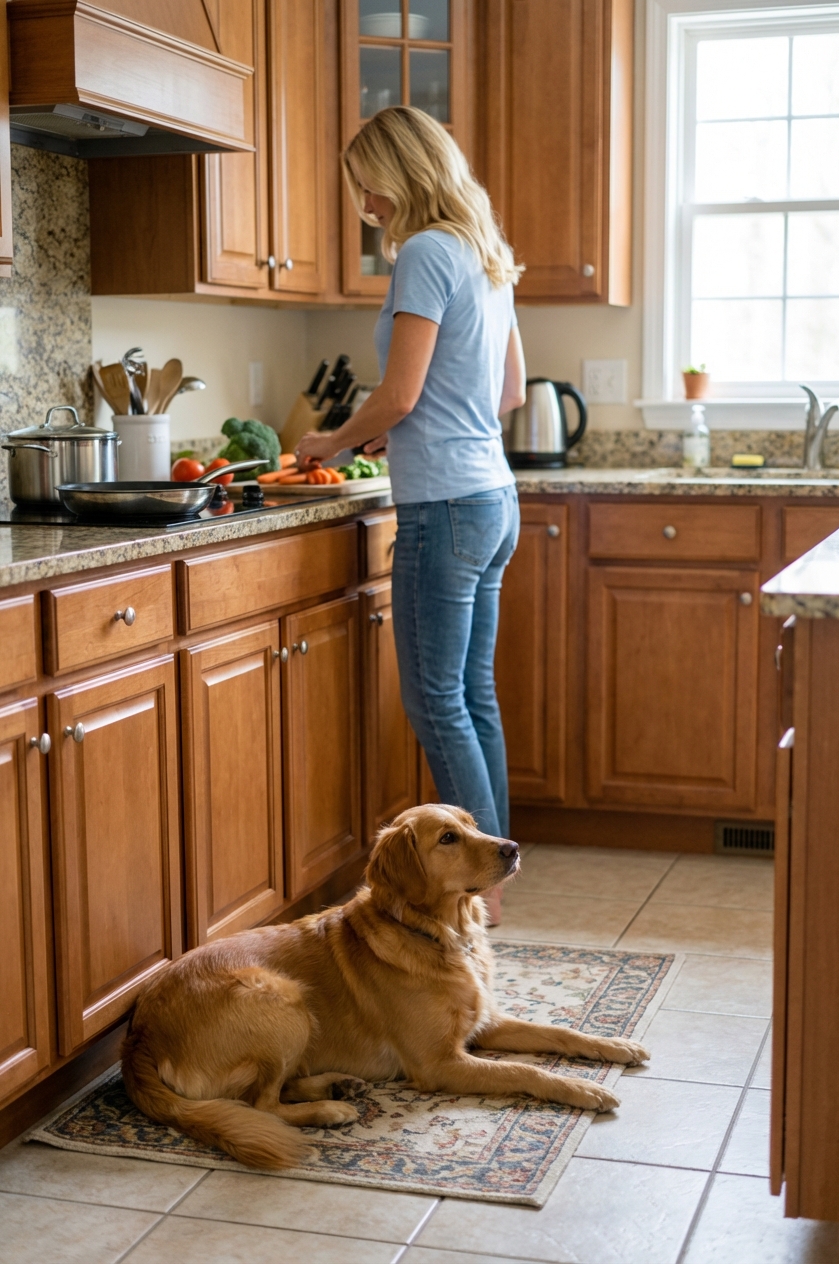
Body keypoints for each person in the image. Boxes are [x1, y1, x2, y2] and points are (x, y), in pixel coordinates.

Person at [296, 106, 526, 877]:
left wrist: (330, 440)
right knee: (472, 695)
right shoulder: (485, 252)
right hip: (493, 498)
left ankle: (475, 886)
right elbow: (509, 392)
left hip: (447, 506)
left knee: (435, 701)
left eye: (369, 187)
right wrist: (414, 424)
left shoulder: (427, 251)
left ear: (403, 174)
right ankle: (498, 871)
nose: (365, 206)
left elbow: (399, 394)